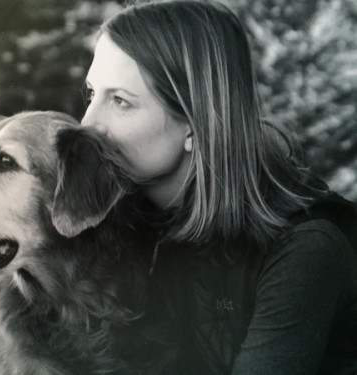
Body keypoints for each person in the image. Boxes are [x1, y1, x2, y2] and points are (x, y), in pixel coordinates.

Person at [79, 0, 357, 374]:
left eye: (121, 102)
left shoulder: (304, 247)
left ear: (194, 123)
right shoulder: (123, 222)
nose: (87, 124)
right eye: (92, 93)